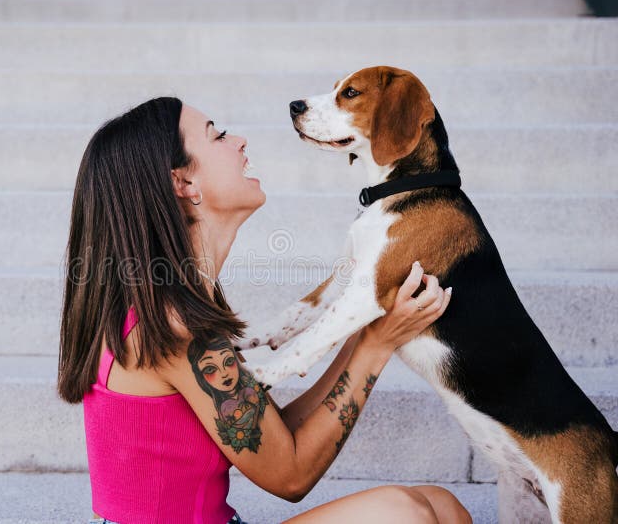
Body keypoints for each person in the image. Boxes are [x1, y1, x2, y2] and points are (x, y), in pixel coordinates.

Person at [58, 97, 472, 523]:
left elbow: (271, 433)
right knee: (404, 514)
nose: (238, 141)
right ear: (183, 183)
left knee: (441, 504)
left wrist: (368, 332)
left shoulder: (173, 303)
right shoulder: (176, 326)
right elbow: (290, 475)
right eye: (217, 135)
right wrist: (375, 347)